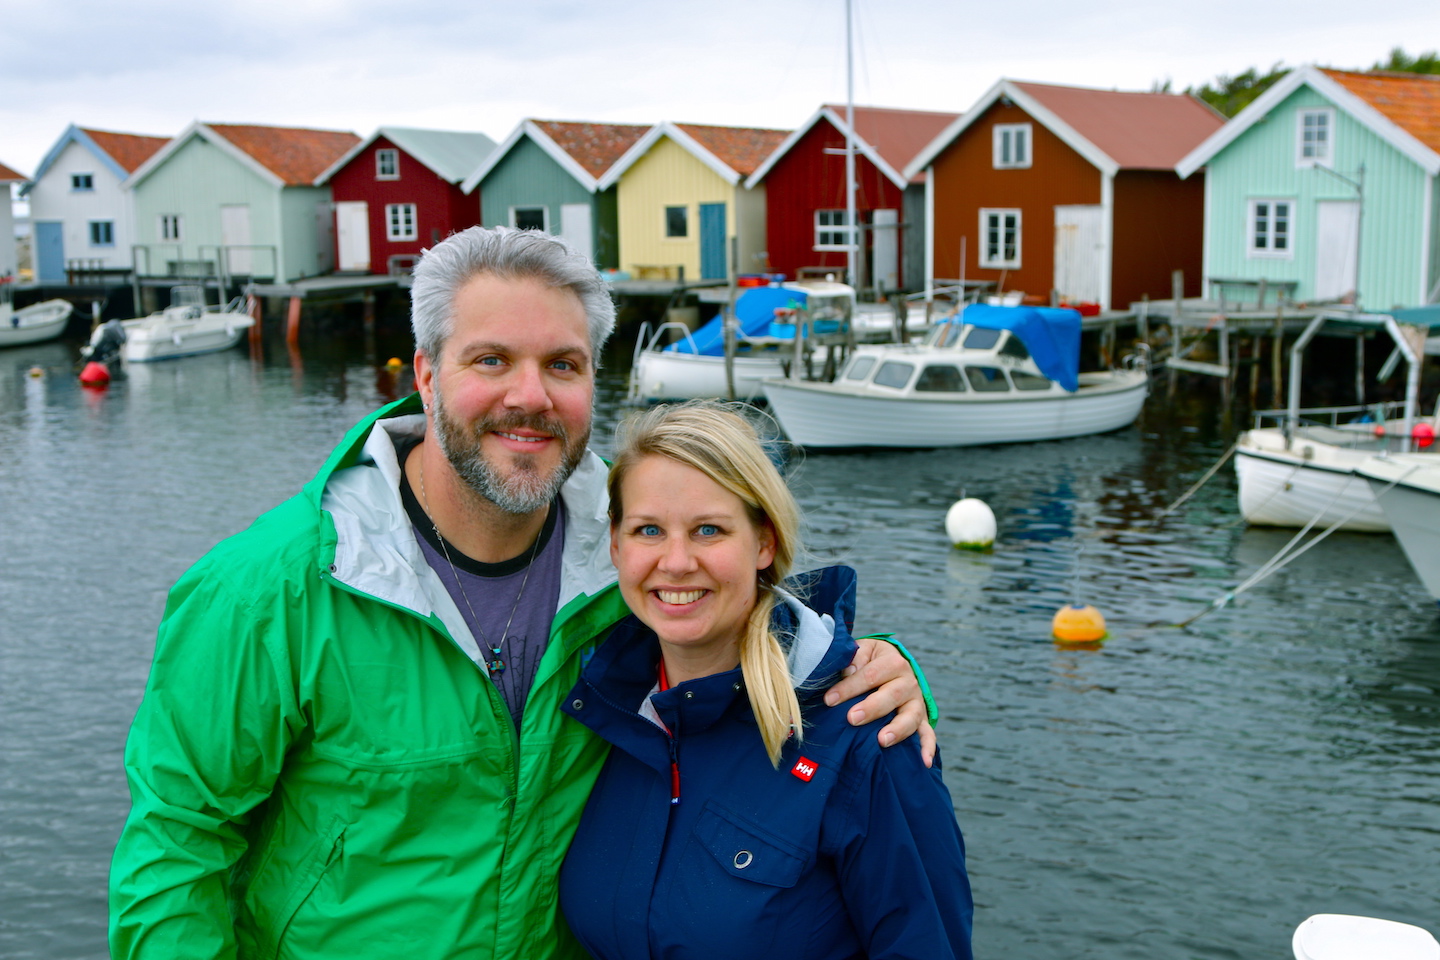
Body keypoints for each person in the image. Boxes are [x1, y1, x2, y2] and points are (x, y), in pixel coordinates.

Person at [108, 226, 938, 960]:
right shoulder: (271, 590)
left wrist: (889, 670)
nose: (531, 397)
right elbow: (177, 850)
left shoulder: (632, 550)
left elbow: (756, 606)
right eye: (492, 359)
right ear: (427, 375)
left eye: (563, 365)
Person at [560, 401, 973, 960]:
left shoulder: (866, 738)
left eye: (709, 529)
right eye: (648, 530)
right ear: (616, 545)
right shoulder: (600, 714)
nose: (676, 562)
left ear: (764, 542)